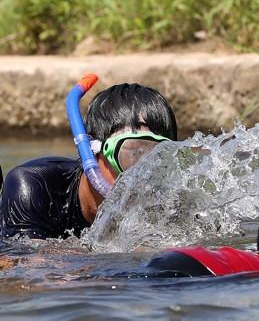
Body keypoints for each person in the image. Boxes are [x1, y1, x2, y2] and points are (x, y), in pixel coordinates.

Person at [0, 78, 177, 239]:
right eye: (132, 154)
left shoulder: (175, 203)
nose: (143, 174)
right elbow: (23, 266)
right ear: (92, 151)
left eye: (160, 158)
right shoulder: (35, 187)